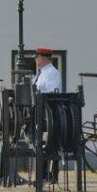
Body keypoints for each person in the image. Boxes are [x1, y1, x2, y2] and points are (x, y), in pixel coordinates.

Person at [31, 46, 62, 183]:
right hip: (39, 114)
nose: (36, 60)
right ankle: (43, 174)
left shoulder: (51, 73)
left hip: (47, 116)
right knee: (40, 143)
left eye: (37, 57)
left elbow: (53, 93)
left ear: (42, 58)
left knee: (46, 143)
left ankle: (47, 175)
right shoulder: (41, 73)